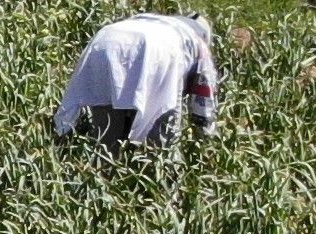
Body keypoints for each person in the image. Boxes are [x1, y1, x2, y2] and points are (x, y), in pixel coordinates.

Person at [53, 12, 220, 146]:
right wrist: (205, 141)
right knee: (161, 132)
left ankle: (104, 172)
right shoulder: (198, 41)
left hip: (107, 38)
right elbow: (203, 100)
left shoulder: (155, 21)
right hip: (158, 48)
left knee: (106, 134)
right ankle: (162, 177)